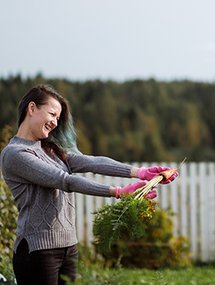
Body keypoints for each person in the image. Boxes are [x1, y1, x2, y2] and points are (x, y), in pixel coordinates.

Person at [0, 84, 179, 285]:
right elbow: (65, 181)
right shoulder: (15, 154)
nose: (54, 123)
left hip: (68, 246)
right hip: (37, 250)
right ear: (32, 108)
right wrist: (118, 192)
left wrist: (141, 173)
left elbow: (91, 162)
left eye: (58, 118)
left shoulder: (51, 149)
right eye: (52, 114)